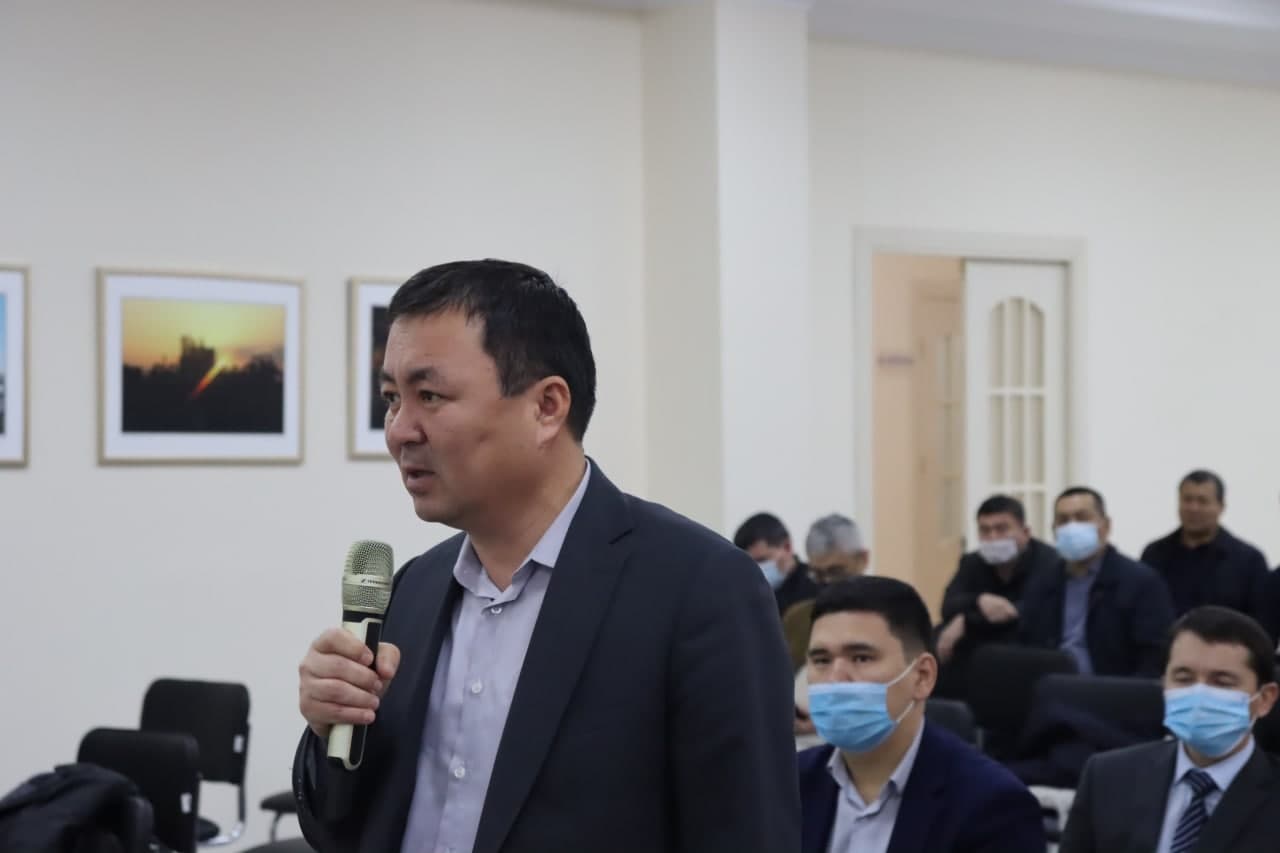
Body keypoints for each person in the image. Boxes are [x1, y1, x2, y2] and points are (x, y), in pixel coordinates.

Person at [291, 260, 800, 853]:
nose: (400, 430)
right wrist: (329, 728)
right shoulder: (412, 591)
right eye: (390, 399)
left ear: (547, 407)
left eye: (429, 396)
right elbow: (339, 828)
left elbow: (747, 831)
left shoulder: (699, 590)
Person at [797, 576, 1045, 853]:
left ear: (922, 676)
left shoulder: (992, 805)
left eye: (861, 658)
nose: (835, 678)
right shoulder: (785, 784)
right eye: (821, 660)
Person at [1060, 606, 1280, 853]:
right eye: (1184, 679)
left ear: (1265, 699)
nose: (1199, 694)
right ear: (1164, 683)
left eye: (1222, 682)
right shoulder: (1107, 777)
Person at [1019, 486, 1175, 677]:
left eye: (1082, 518)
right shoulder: (1042, 584)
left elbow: (1155, 656)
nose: (1072, 527)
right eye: (1063, 521)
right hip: (1054, 687)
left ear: (1106, 526)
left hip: (1113, 689)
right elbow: (1027, 647)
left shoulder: (1141, 583)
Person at [935, 494, 1061, 699]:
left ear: (1025, 532)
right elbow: (948, 605)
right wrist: (979, 600)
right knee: (937, 637)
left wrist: (967, 621)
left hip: (1028, 645)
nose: (993, 537)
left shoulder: (1049, 561)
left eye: (1002, 529)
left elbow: (1023, 612)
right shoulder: (972, 562)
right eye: (985, 530)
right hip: (982, 644)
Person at [1141, 470, 1273, 637]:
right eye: (1187, 500)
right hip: (1167, 650)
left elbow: (1260, 627)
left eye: (1202, 501)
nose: (1193, 508)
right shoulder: (1154, 555)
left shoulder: (1249, 561)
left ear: (1221, 506)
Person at [783, 514, 869, 671]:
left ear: (863, 559)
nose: (827, 582)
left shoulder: (891, 614)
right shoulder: (798, 620)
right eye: (818, 574)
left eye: (836, 571)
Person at [735, 512, 818, 617]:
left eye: (762, 560)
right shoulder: (742, 596)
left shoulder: (816, 587)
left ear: (787, 547)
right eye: (748, 563)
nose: (755, 568)